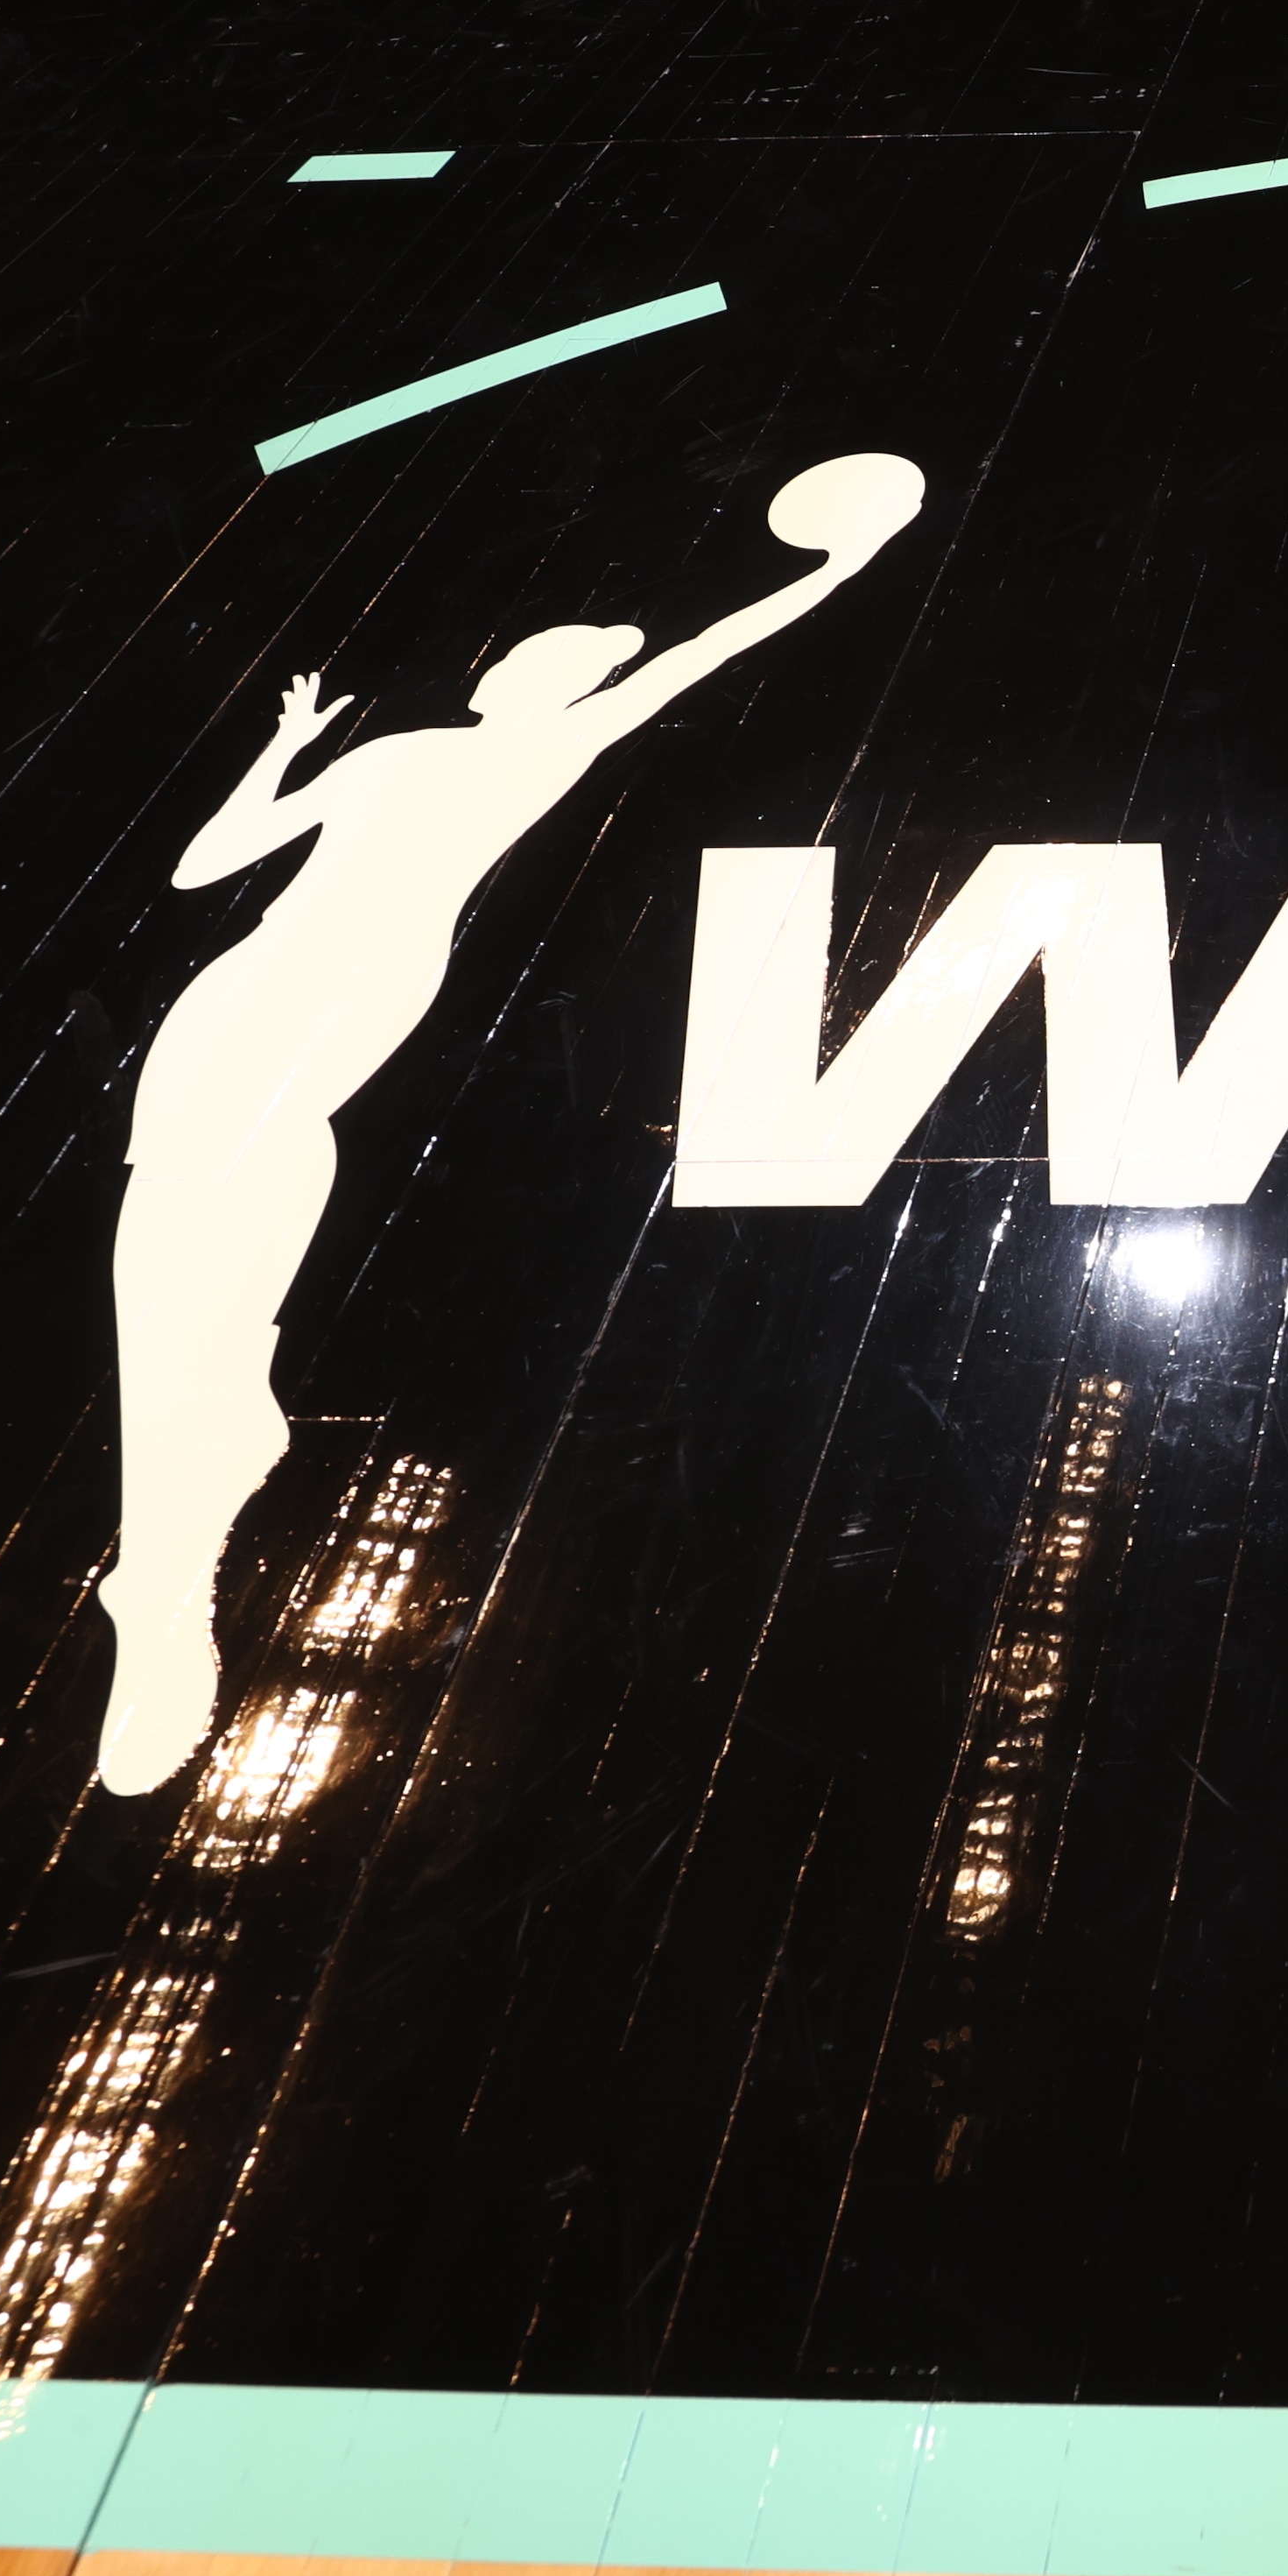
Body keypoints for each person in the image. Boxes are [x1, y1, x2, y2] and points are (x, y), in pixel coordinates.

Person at [94, 454, 925, 1796]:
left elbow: (705, 650)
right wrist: (284, 746)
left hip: (348, 990)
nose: (536, 668)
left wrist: (838, 570)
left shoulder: (552, 743)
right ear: (497, 674)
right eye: (540, 653)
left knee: (253, 1179)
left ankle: (181, 1509)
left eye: (567, 662)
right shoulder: (395, 751)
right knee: (188, 1200)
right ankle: (175, 1514)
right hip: (255, 983)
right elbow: (203, 864)